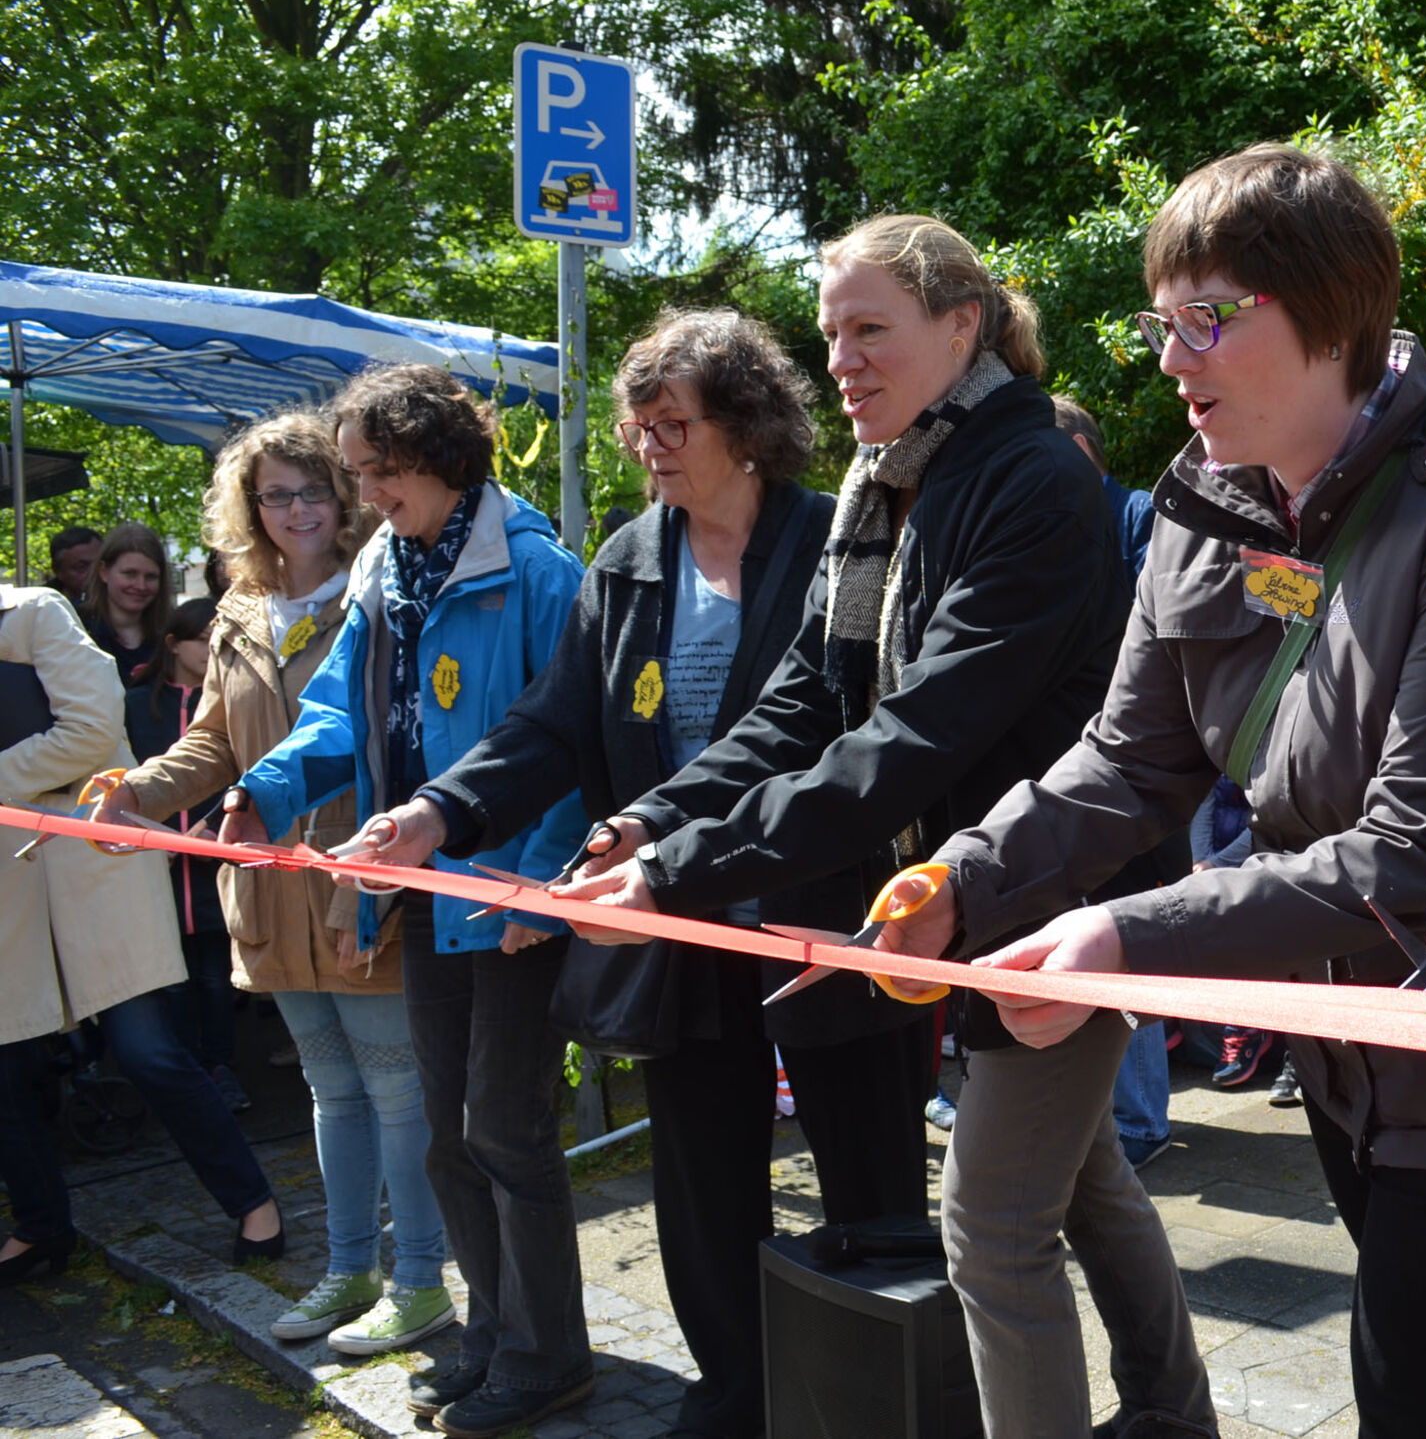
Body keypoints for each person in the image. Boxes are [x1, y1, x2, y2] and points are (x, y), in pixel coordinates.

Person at [879, 144, 1426, 1439]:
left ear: (1336, 313)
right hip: (1343, 1036)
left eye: (1211, 319)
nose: (1172, 358)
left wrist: (1128, 934)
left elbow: (1417, 846)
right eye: (1160, 321)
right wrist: (970, 871)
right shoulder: (1206, 500)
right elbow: (1129, 756)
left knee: (1414, 1372)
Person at [541, 215, 1144, 1439]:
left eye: (871, 329)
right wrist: (657, 818)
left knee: (994, 1225)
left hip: (1021, 890)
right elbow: (811, 695)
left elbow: (919, 728)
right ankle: (1172, 1405)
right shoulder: (887, 477)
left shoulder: (1030, 476)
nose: (843, 361)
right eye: (829, 335)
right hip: (936, 895)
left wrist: (681, 863)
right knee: (1079, 1185)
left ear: (961, 324)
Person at [342, 308, 928, 1439]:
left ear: (747, 425)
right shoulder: (627, 557)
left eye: (672, 422)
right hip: (673, 926)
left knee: (871, 1181)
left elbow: (846, 729)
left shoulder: (835, 540)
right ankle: (735, 1397)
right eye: (636, 425)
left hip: (825, 923)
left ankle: (865, 1404)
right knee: (703, 1187)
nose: (649, 445)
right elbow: (552, 723)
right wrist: (439, 810)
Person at [226, 366, 590, 1438]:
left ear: (437, 459)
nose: (363, 493)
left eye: (379, 471)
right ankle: (490, 1335)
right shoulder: (387, 562)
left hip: (511, 900)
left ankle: (548, 1354)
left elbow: (571, 747)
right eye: (357, 472)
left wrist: (546, 890)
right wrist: (266, 785)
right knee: (446, 1133)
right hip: (423, 897)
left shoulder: (536, 570)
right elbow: (342, 708)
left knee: (508, 1130)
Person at [97, 411, 453, 1358]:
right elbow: (213, 744)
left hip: (361, 877)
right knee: (330, 1090)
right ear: (250, 507)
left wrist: (366, 886)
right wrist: (137, 787)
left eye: (313, 489)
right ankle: (349, 1269)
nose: (297, 509)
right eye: (275, 493)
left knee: (396, 1089)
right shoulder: (239, 612)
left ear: (345, 496)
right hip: (264, 885)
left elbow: (403, 752)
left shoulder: (388, 589)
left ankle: (421, 1278)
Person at [0, 585, 285, 1284]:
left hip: (93, 869)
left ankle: (255, 1203)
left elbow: (93, 732)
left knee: (148, 1049)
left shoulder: (33, 612)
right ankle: (41, 1226)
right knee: (3, 1067)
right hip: (14, 886)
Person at [1055, 393, 1183, 1170]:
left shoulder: (1138, 516)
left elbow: (1149, 642)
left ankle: (1139, 1122)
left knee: (1123, 940)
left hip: (1135, 771)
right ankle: (1114, 1122)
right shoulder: (1067, 522)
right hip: (1086, 768)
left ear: (1080, 450)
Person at [119, 598, 244, 1111]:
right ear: (174, 643)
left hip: (210, 870)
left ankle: (220, 1068)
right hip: (157, 874)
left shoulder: (229, 699)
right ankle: (183, 1075)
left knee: (216, 980)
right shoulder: (136, 704)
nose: (212, 650)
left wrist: (203, 830)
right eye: (203, 640)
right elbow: (139, 774)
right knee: (172, 983)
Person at [80, 521, 174, 684]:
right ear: (104, 572)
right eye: (130, 574)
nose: (140, 586)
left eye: (150, 577)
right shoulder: (77, 629)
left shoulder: (173, 633)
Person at [45, 526, 100, 606]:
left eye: (99, 564)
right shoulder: (44, 606)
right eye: (82, 567)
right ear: (58, 571)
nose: (94, 572)